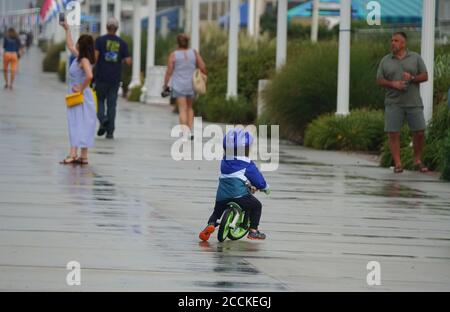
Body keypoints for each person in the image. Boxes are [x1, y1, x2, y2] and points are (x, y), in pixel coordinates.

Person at [198, 129, 271, 242]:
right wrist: (265, 187)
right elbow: (258, 180)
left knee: (217, 212)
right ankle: (253, 231)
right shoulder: (247, 163)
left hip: (222, 195)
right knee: (256, 206)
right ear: (246, 148)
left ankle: (210, 225)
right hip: (239, 195)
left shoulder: (225, 161)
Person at [377, 32, 429, 173]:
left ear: (403, 43)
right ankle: (398, 163)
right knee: (393, 133)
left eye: (396, 40)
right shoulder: (385, 60)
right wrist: (393, 84)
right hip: (393, 103)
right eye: (392, 40)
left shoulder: (415, 57)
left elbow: (425, 76)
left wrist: (411, 77)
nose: (393, 43)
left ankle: (417, 160)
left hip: (413, 102)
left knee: (419, 132)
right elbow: (379, 80)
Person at [60, 21, 96, 165]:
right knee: (83, 124)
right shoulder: (79, 57)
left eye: (78, 42)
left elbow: (89, 76)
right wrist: (67, 29)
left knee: (77, 123)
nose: (76, 44)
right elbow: (69, 45)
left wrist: (80, 88)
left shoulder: (84, 60)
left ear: (82, 45)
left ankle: (73, 154)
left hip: (80, 96)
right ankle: (84, 156)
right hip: (80, 96)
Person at [163, 34, 206, 140]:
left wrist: (165, 85)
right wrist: (203, 78)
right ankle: (190, 131)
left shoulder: (174, 55)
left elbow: (169, 71)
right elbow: (203, 67)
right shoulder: (194, 53)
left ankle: (185, 133)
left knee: (182, 109)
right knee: (190, 108)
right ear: (187, 42)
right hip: (191, 85)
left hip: (179, 85)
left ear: (178, 42)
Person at [94, 17, 132, 139]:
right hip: (115, 78)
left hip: (101, 77)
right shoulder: (122, 43)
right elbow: (128, 61)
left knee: (99, 101)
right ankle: (110, 132)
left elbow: (94, 58)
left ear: (106, 27)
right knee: (112, 105)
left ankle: (103, 120)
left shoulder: (99, 41)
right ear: (117, 28)